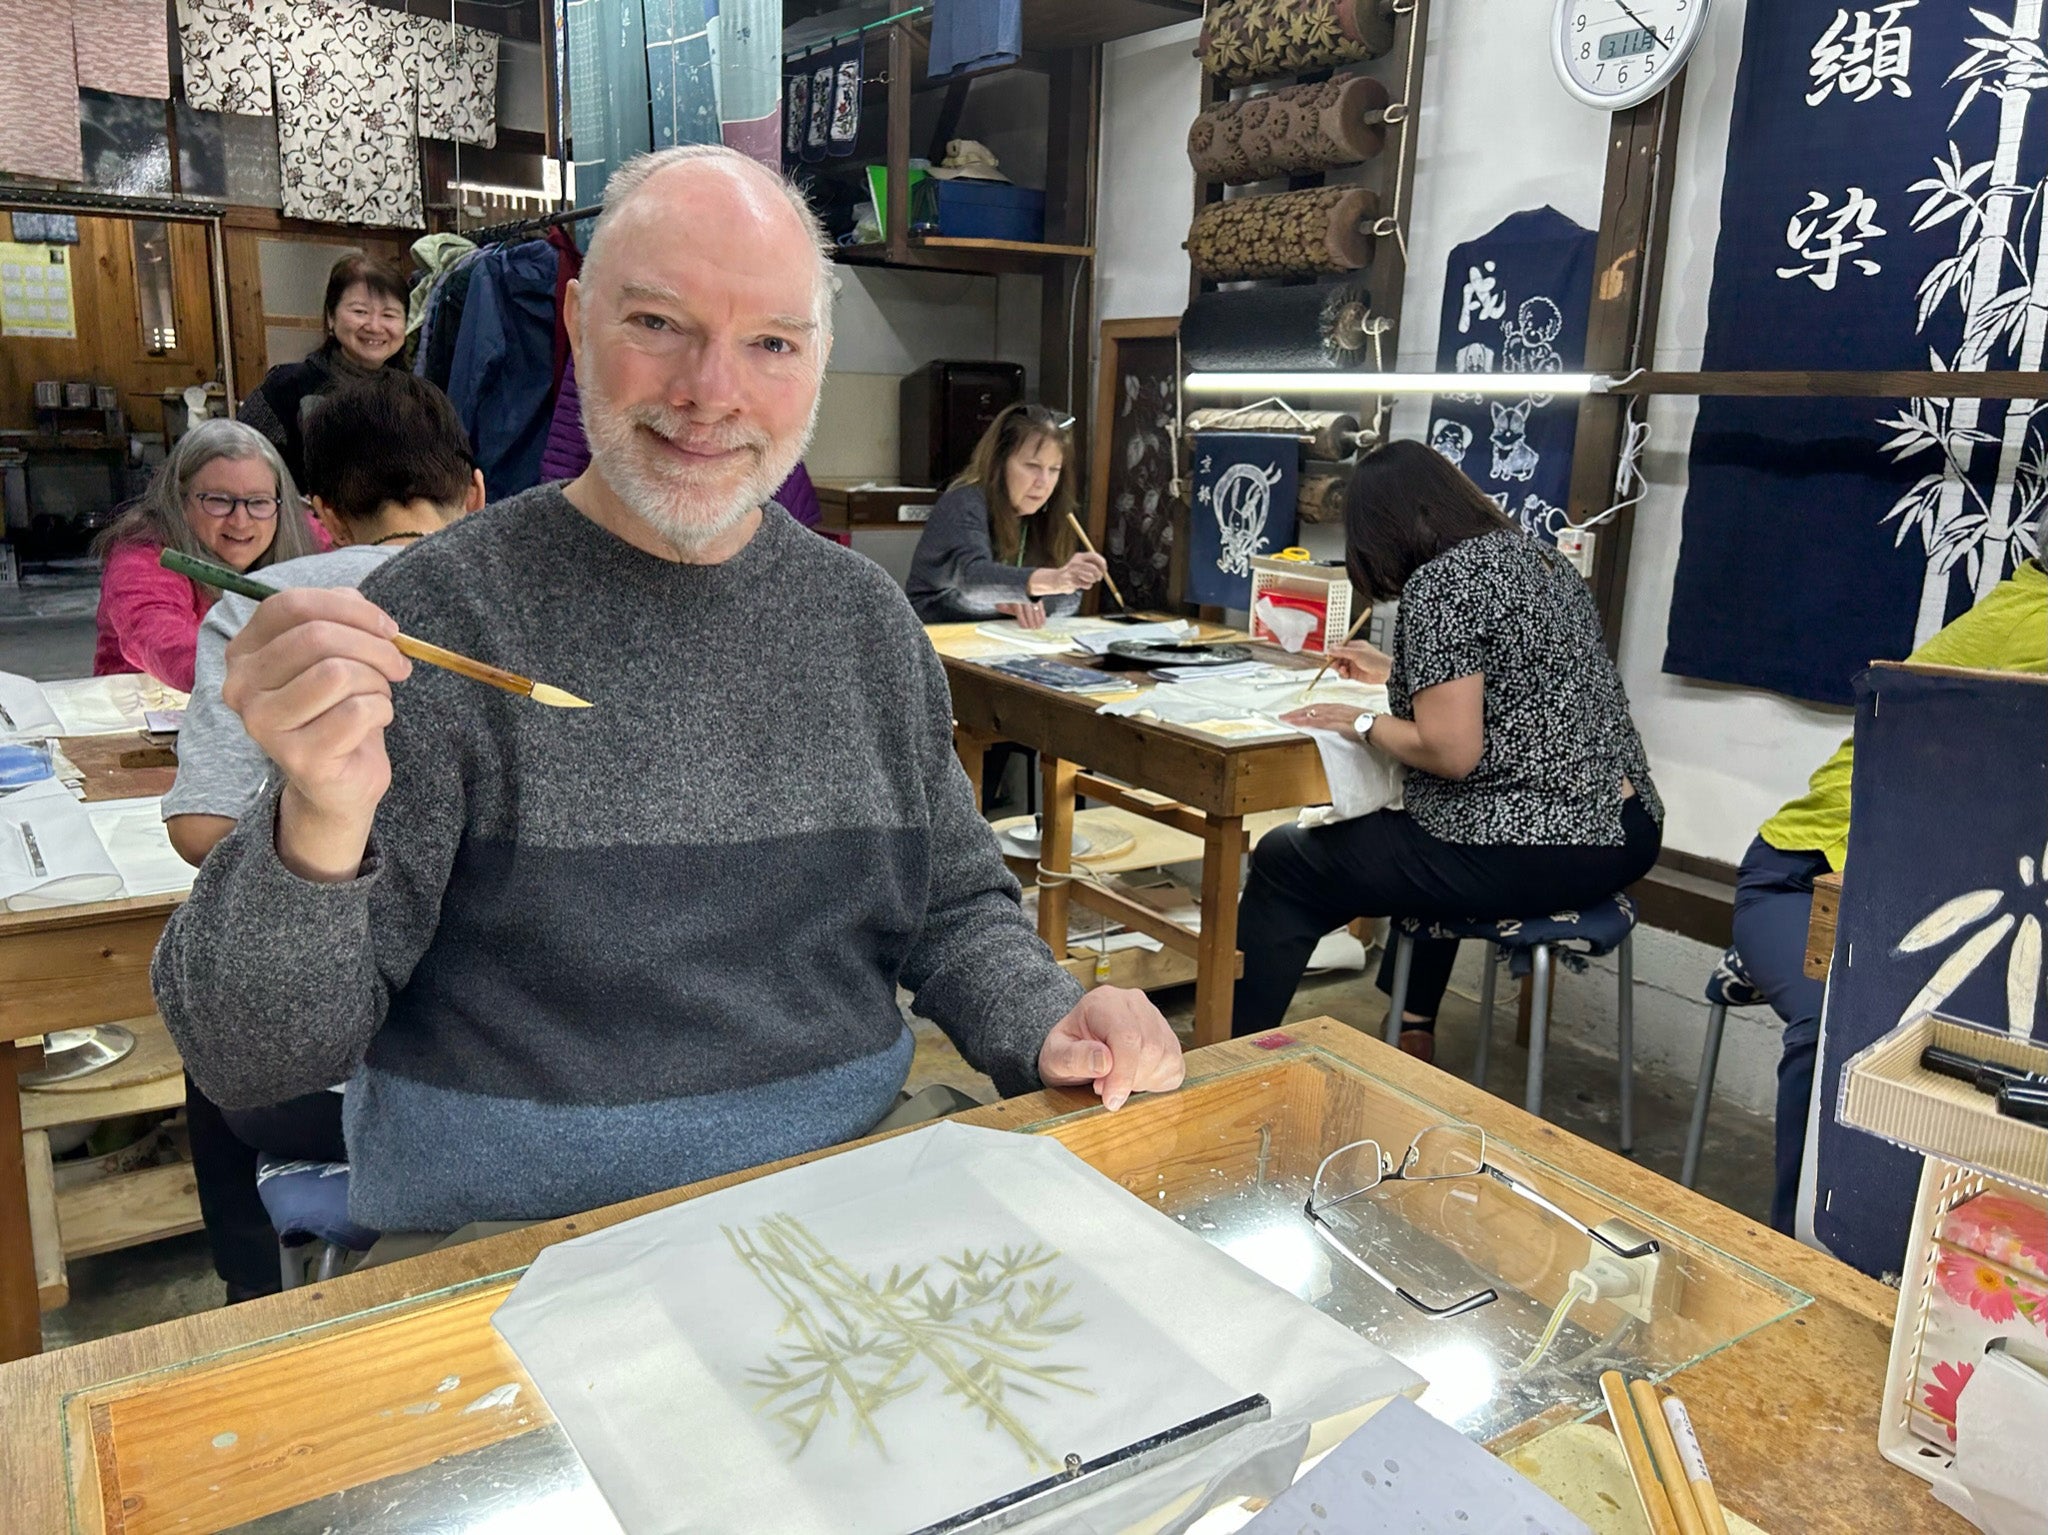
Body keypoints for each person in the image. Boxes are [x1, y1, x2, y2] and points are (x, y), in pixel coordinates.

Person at [151, 144, 1184, 1244]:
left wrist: (1048, 1020)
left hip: (839, 1204)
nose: (710, 394)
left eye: (770, 343)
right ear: (576, 318)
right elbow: (246, 1055)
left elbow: (955, 908)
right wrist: (313, 828)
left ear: (819, 360)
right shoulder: (434, 623)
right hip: (508, 1245)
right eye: (656, 324)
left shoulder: (864, 623)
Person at [161, 371, 485, 1300]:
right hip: (509, 1053)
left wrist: (319, 818)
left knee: (216, 1036)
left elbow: (199, 828)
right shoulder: (527, 610)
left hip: (339, 1086)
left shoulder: (272, 602)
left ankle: (248, 1299)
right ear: (476, 494)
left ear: (322, 513)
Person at [1231, 441, 1664, 1062]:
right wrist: (1392, 671)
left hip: (1543, 849)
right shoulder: (1538, 559)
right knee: (1428, 826)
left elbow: (1451, 752)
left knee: (1286, 859)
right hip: (1627, 832)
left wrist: (1360, 721)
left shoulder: (1441, 582)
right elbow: (1516, 691)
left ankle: (1229, 1059)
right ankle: (1413, 1019)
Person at [1739, 555, 2046, 1236]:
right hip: (1808, 874)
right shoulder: (2035, 621)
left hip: (1948, 888)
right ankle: (1801, 1251)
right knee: (1840, 1036)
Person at [93, 420, 322, 692]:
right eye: (219, 501)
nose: (240, 521)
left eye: (258, 502)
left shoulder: (301, 529)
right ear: (179, 499)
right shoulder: (141, 556)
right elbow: (165, 644)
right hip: (150, 717)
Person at [906, 403, 1108, 627]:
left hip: (1006, 644)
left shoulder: (1052, 513)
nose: (1043, 483)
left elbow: (1068, 601)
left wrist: (1034, 588)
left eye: (1054, 470)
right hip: (936, 643)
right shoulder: (963, 501)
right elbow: (973, 579)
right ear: (999, 464)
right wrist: (1039, 585)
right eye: (1032, 466)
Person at [238, 253, 411, 492]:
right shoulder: (285, 388)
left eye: (389, 315)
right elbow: (239, 468)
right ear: (331, 317)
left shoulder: (420, 399)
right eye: (360, 311)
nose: (374, 326)